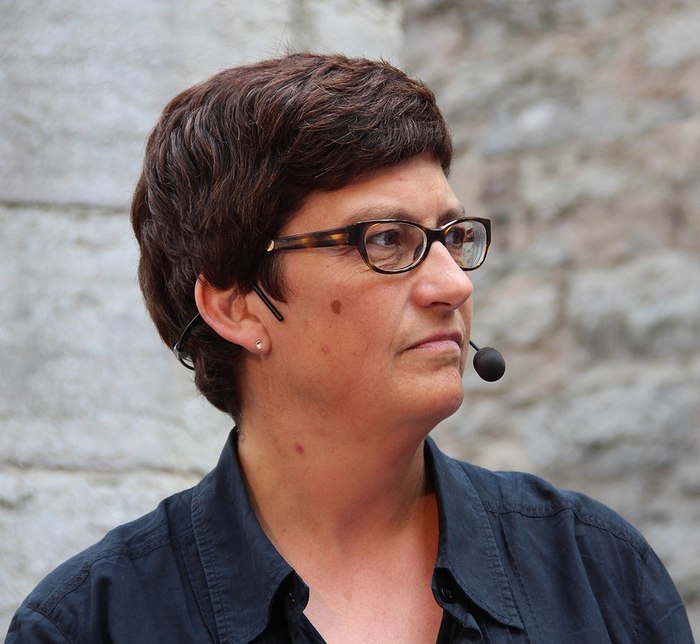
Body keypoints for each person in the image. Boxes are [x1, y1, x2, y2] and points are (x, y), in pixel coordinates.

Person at [7, 53, 693, 643]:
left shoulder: (598, 572)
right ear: (236, 304)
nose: (454, 284)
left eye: (452, 237)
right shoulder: (93, 623)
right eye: (385, 239)